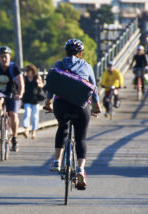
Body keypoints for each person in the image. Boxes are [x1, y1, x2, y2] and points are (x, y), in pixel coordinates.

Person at [44, 39, 101, 188]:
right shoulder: (87, 66)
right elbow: (93, 88)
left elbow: (52, 84)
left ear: (66, 52)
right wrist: (96, 106)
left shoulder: (59, 64)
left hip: (61, 104)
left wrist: (48, 102)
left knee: (62, 127)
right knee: (80, 137)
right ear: (80, 53)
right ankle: (81, 169)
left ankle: (57, 161)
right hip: (81, 107)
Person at [0, 46, 24, 152]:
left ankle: (15, 138)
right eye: (1, 57)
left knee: (13, 114)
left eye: (5, 57)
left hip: (13, 93)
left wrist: (20, 94)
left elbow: (21, 83)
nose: (3, 59)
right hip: (1, 92)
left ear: (9, 57)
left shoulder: (14, 68)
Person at [22, 64, 44, 139]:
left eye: (29, 71)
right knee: (27, 114)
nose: (27, 72)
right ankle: (26, 130)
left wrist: (39, 84)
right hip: (26, 99)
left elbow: (42, 86)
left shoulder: (37, 77)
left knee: (35, 116)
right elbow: (21, 87)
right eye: (26, 71)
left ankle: (34, 132)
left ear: (32, 71)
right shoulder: (24, 78)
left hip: (35, 100)